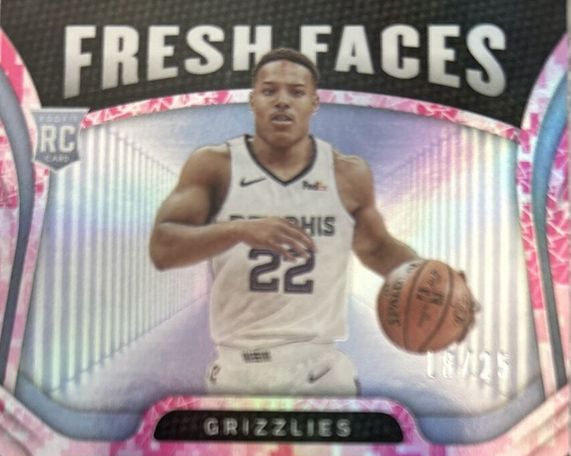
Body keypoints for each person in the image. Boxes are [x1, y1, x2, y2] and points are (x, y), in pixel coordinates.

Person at [150, 48, 468, 395]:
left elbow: (377, 247)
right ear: (252, 100)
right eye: (269, 91)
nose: (282, 101)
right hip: (238, 368)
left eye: (296, 92)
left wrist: (445, 291)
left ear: (314, 103)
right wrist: (239, 229)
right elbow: (163, 248)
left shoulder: (346, 173)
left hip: (320, 369)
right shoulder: (215, 165)